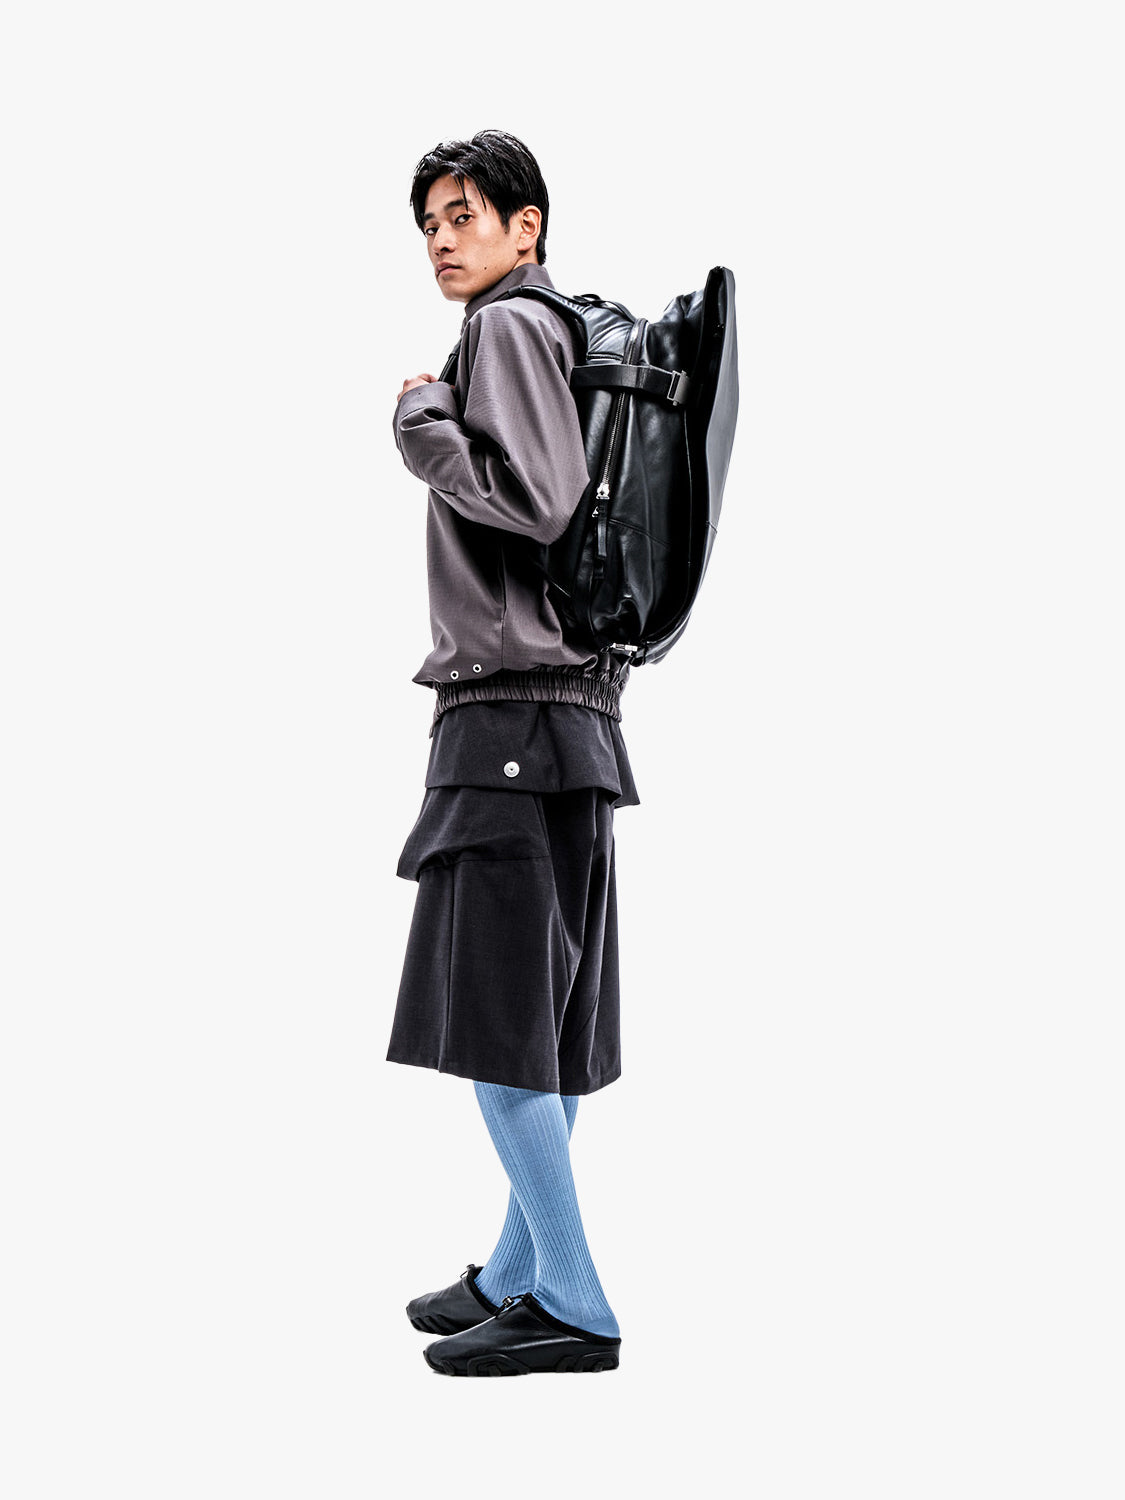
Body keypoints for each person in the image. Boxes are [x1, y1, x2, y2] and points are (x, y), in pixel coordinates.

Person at [387, 130, 638, 1378]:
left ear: (525, 226)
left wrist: (420, 420)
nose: (443, 239)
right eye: (429, 222)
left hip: (507, 728)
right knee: (543, 1021)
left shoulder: (503, 328)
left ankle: (574, 1304)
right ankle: (515, 1270)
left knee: (498, 1029)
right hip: (571, 724)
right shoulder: (561, 331)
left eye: (465, 214)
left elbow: (536, 498)